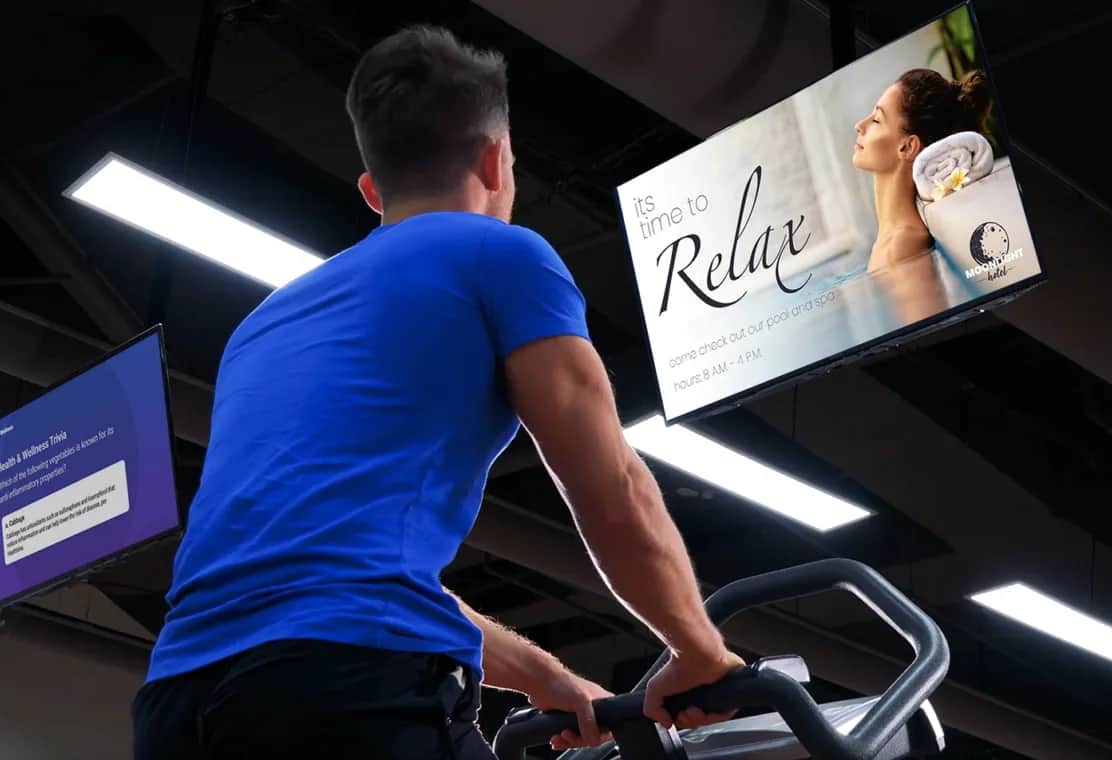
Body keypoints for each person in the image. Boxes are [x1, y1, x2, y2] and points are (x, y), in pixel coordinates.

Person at [131, 25, 743, 760]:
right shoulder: (505, 255)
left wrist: (546, 676)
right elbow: (611, 486)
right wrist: (700, 649)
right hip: (341, 690)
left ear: (371, 190)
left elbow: (336, 576)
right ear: (495, 158)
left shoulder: (263, 325)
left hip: (176, 707)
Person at [851, 67, 993, 324]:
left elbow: (928, 330)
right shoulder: (891, 242)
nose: (859, 126)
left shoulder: (903, 245)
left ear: (907, 146)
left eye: (876, 120)